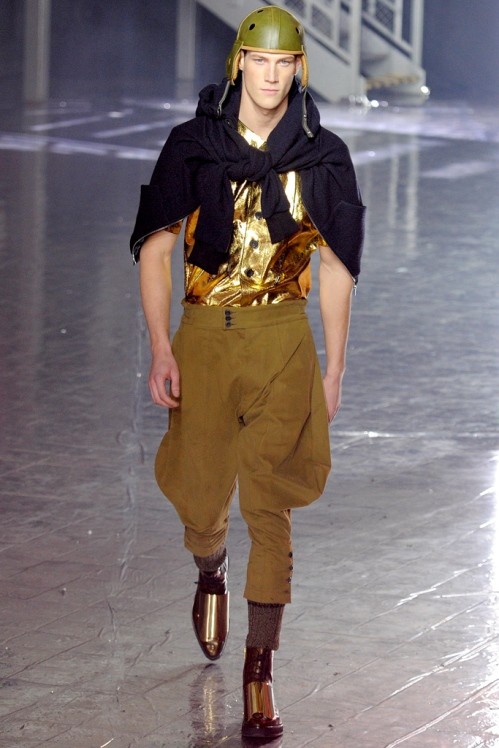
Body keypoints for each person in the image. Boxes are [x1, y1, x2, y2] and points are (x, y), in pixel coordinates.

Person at [130, 5, 365, 739]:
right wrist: (161, 347)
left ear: (299, 69)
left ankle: (259, 670)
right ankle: (210, 568)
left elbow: (337, 267)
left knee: (271, 505)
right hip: (204, 338)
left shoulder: (322, 156)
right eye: (258, 61)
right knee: (200, 499)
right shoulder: (193, 145)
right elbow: (155, 249)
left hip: (281, 341)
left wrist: (333, 367)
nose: (270, 75)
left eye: (283, 62)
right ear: (238, 64)